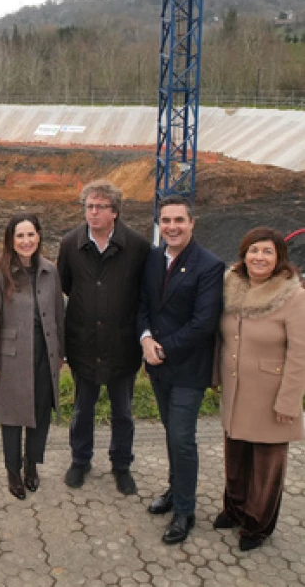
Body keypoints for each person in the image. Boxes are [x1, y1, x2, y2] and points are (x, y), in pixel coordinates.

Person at [138, 195, 224, 545]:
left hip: (188, 368)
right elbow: (143, 304)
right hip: (158, 365)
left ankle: (185, 512)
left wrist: (163, 348)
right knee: (170, 431)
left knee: (183, 438)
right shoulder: (154, 258)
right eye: (166, 220)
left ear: (192, 223)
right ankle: (175, 491)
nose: (172, 226)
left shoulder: (209, 265)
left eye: (179, 220)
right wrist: (144, 339)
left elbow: (204, 322)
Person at [215, 227, 305, 551]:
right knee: (236, 455)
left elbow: (300, 352)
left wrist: (289, 401)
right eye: (253, 250)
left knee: (267, 465)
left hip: (272, 393)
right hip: (237, 388)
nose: (259, 257)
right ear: (244, 255)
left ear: (279, 257)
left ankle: (257, 524)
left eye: (267, 251)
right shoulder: (231, 287)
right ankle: (235, 508)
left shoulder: (293, 295)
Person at [58, 180, 150, 495]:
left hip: (122, 345)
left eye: (100, 207)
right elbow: (67, 286)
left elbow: (144, 293)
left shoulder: (137, 246)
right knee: (83, 409)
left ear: (115, 212)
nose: (93, 213)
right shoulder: (71, 243)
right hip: (84, 343)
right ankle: (80, 460)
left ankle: (121, 464)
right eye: (89, 207)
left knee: (123, 411)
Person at [0, 213, 64, 500]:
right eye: (20, 236)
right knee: (12, 417)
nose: (26, 241)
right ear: (11, 240)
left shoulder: (50, 271)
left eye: (31, 235)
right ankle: (13, 472)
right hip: (11, 358)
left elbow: (58, 317)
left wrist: (59, 355)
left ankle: (31, 466)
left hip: (43, 355)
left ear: (39, 236)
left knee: (39, 414)